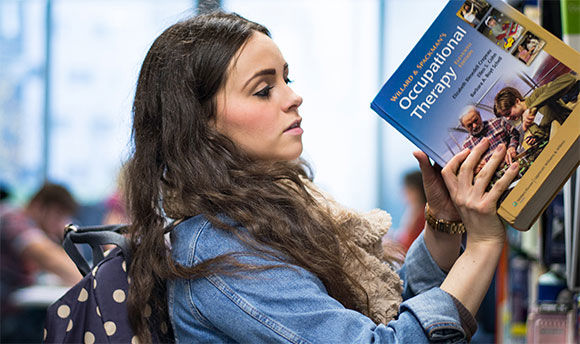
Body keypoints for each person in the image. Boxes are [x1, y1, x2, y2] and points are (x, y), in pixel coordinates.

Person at [124, 12, 519, 343]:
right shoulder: (221, 253)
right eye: (264, 90)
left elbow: (385, 314)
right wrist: (482, 244)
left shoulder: (276, 211)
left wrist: (443, 222)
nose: (292, 97)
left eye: (286, 79)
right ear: (201, 125)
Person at [0, 182, 82, 342]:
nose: (61, 222)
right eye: (58, 215)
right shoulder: (11, 218)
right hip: (6, 316)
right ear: (39, 206)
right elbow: (50, 258)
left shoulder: (35, 228)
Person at [493, 73, 580, 139]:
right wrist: (535, 138)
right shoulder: (524, 120)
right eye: (505, 116)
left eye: (508, 113)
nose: (508, 118)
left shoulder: (538, 95)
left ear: (517, 101)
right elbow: (547, 133)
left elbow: (569, 79)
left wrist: (534, 107)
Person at [460, 106, 519, 174]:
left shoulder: (498, 122)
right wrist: (475, 168)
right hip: (494, 177)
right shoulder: (466, 147)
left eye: (476, 120)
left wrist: (511, 147)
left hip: (513, 163)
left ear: (479, 115)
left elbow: (514, 134)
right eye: (469, 125)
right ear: (464, 126)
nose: (474, 126)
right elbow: (467, 169)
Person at [391, 170, 427, 252]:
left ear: (417, 191)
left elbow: (410, 245)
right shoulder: (412, 210)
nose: (403, 193)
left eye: (407, 189)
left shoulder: (423, 215)